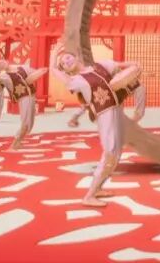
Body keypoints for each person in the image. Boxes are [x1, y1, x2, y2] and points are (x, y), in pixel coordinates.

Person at [50, 43, 141, 207]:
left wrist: (134, 65)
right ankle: (89, 196)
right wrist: (55, 54)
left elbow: (119, 65)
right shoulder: (76, 80)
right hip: (105, 114)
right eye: (63, 63)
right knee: (109, 154)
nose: (66, 61)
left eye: (67, 57)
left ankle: (98, 188)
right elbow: (54, 71)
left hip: (116, 110)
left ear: (77, 57)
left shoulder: (100, 66)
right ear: (66, 70)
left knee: (116, 155)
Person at [0, 62, 48, 150]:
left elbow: (31, 77)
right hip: (24, 97)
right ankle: (14, 144)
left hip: (31, 95)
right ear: (0, 68)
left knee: (30, 123)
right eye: (0, 65)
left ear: (6, 61)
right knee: (26, 123)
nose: (3, 64)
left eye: (2, 62)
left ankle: (18, 142)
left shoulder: (22, 68)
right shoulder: (5, 76)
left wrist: (40, 71)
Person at [69, 68, 149, 128]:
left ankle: (128, 125)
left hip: (114, 100)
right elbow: (84, 106)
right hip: (101, 114)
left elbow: (135, 84)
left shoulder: (106, 77)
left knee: (139, 87)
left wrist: (135, 119)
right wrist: (74, 118)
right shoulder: (85, 91)